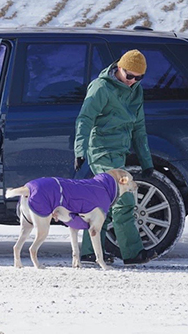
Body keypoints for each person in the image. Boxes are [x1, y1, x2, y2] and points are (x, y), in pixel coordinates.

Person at [73, 49, 158, 265]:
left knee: (104, 201)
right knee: (123, 199)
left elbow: (139, 127)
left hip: (119, 152)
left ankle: (89, 252)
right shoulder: (101, 87)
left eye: (138, 78)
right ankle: (133, 254)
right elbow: (85, 118)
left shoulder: (136, 91)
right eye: (129, 76)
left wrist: (146, 162)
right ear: (119, 68)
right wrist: (80, 151)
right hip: (101, 150)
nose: (132, 81)